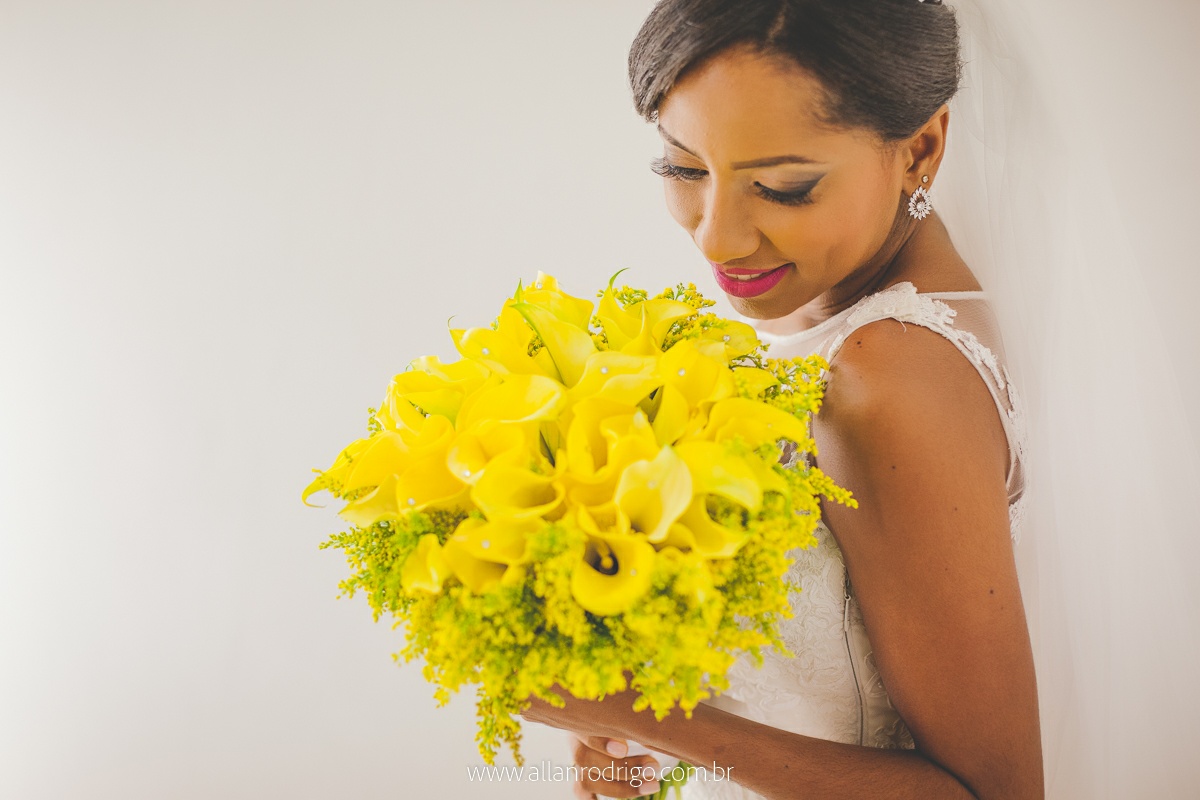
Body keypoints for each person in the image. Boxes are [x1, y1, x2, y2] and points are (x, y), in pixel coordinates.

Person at [521, 1, 1200, 798]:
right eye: (683, 168)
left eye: (783, 187)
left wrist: (650, 718)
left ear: (921, 149)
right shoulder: (836, 316)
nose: (716, 238)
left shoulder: (887, 375)